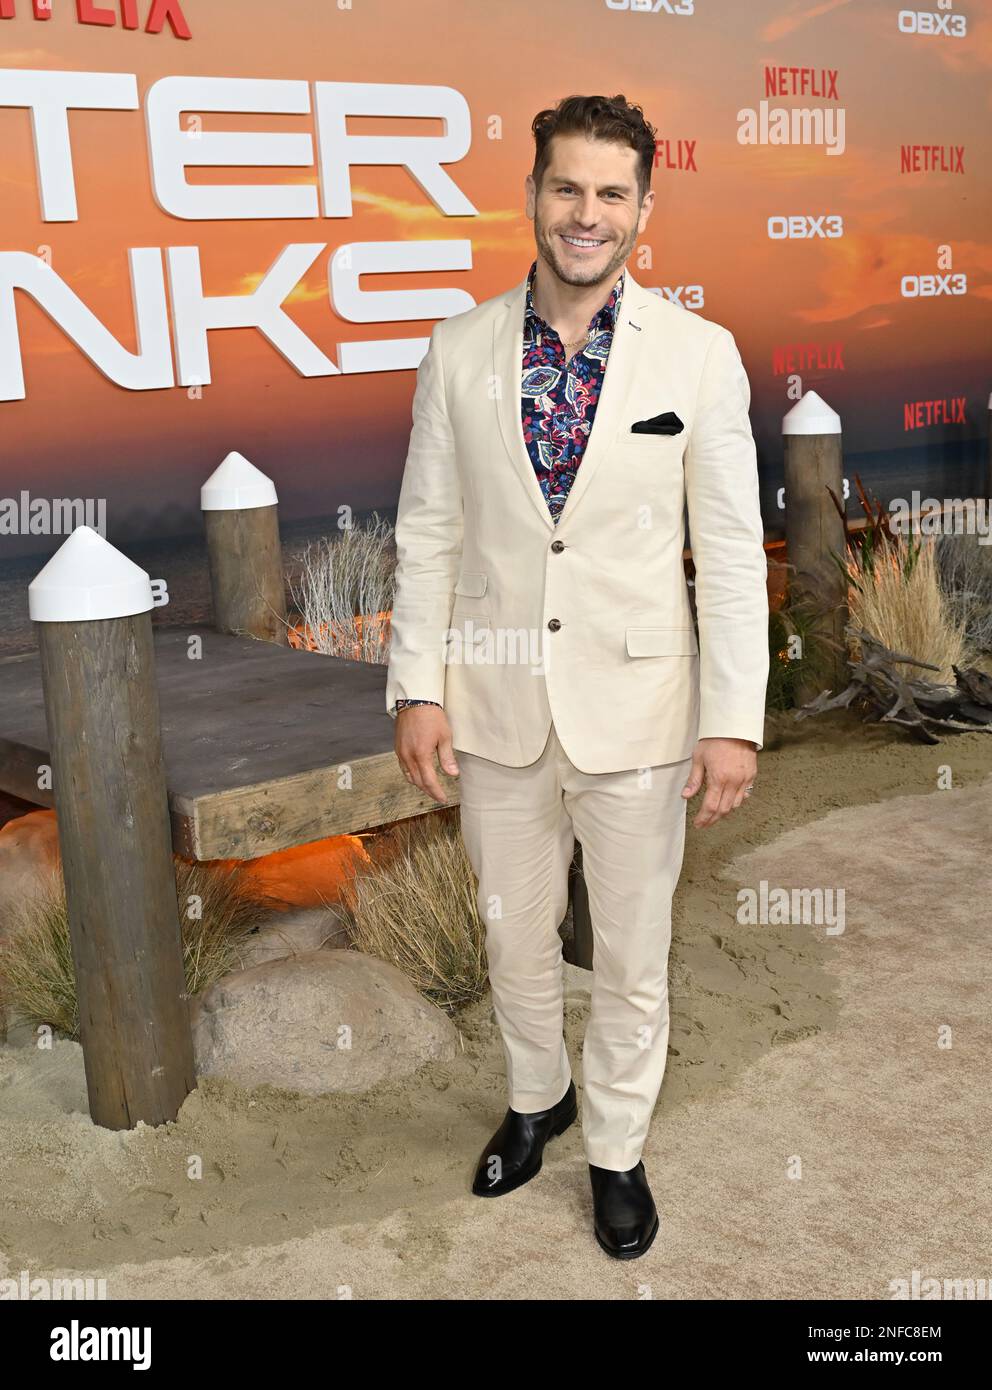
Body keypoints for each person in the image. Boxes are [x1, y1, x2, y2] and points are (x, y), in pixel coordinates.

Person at [386, 93, 769, 1260]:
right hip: (493, 705)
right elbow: (426, 533)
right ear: (533, 197)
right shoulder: (457, 350)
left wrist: (732, 721)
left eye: (611, 193)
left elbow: (733, 552)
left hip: (644, 713)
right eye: (566, 188)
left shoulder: (699, 358)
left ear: (642, 212)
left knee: (631, 955)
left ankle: (612, 1149)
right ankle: (536, 1094)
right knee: (512, 941)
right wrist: (416, 685)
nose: (585, 213)